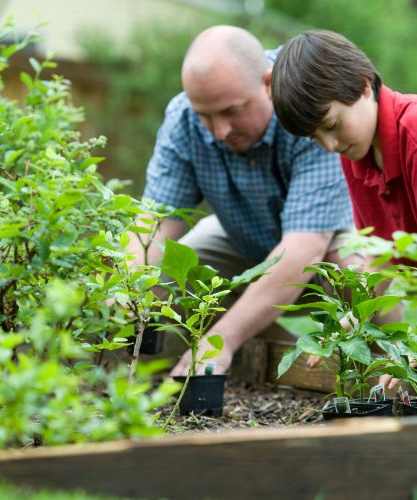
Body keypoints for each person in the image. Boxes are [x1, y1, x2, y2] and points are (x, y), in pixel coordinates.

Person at [130, 26, 356, 376]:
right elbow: (153, 226)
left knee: (354, 270)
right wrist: (127, 288)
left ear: (268, 83)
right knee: (177, 270)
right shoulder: (184, 119)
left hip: (326, 241)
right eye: (206, 115)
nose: (219, 131)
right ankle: (285, 363)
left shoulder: (306, 101)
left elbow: (304, 248)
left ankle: (383, 366)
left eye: (231, 111)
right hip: (243, 240)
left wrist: (221, 339)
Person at [270, 29, 417, 373]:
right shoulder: (356, 156)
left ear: (364, 85)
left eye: (332, 125)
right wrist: (348, 323)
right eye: (315, 137)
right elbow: (382, 254)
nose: (329, 145)